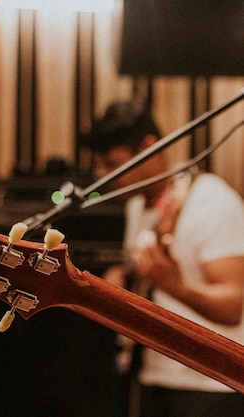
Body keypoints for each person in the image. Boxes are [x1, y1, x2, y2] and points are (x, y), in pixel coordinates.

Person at [82, 98, 244, 417]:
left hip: (208, 385)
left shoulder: (211, 200)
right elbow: (150, 282)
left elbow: (233, 305)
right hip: (153, 373)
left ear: (149, 147)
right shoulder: (137, 206)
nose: (107, 176)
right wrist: (123, 279)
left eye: (114, 164)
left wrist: (176, 285)